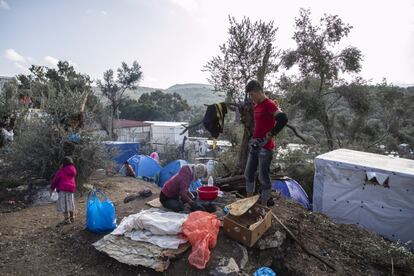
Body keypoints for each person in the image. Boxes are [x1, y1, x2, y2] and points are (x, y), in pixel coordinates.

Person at [244, 80, 288, 206]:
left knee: (263, 179)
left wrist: (272, 133)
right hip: (255, 145)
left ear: (258, 92)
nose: (251, 98)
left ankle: (263, 207)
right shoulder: (256, 105)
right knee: (248, 174)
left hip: (265, 147)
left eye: (252, 94)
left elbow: (283, 119)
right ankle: (247, 204)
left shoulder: (269, 104)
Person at [50, 156, 77, 225]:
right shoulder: (73, 170)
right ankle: (72, 217)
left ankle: (66, 219)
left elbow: (55, 180)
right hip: (71, 189)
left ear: (63, 163)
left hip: (63, 189)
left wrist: (52, 188)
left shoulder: (61, 171)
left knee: (64, 204)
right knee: (70, 203)